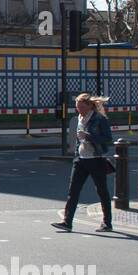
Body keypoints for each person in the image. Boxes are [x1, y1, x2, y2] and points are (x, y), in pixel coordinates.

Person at [51, 92, 115, 233]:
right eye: (77, 107)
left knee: (102, 191)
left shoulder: (99, 119)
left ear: (89, 106)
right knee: (73, 191)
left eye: (81, 107)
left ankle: (107, 223)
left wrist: (89, 136)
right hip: (80, 159)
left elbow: (107, 139)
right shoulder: (80, 117)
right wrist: (76, 154)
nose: (78, 109)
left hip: (96, 159)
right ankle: (67, 222)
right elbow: (78, 139)